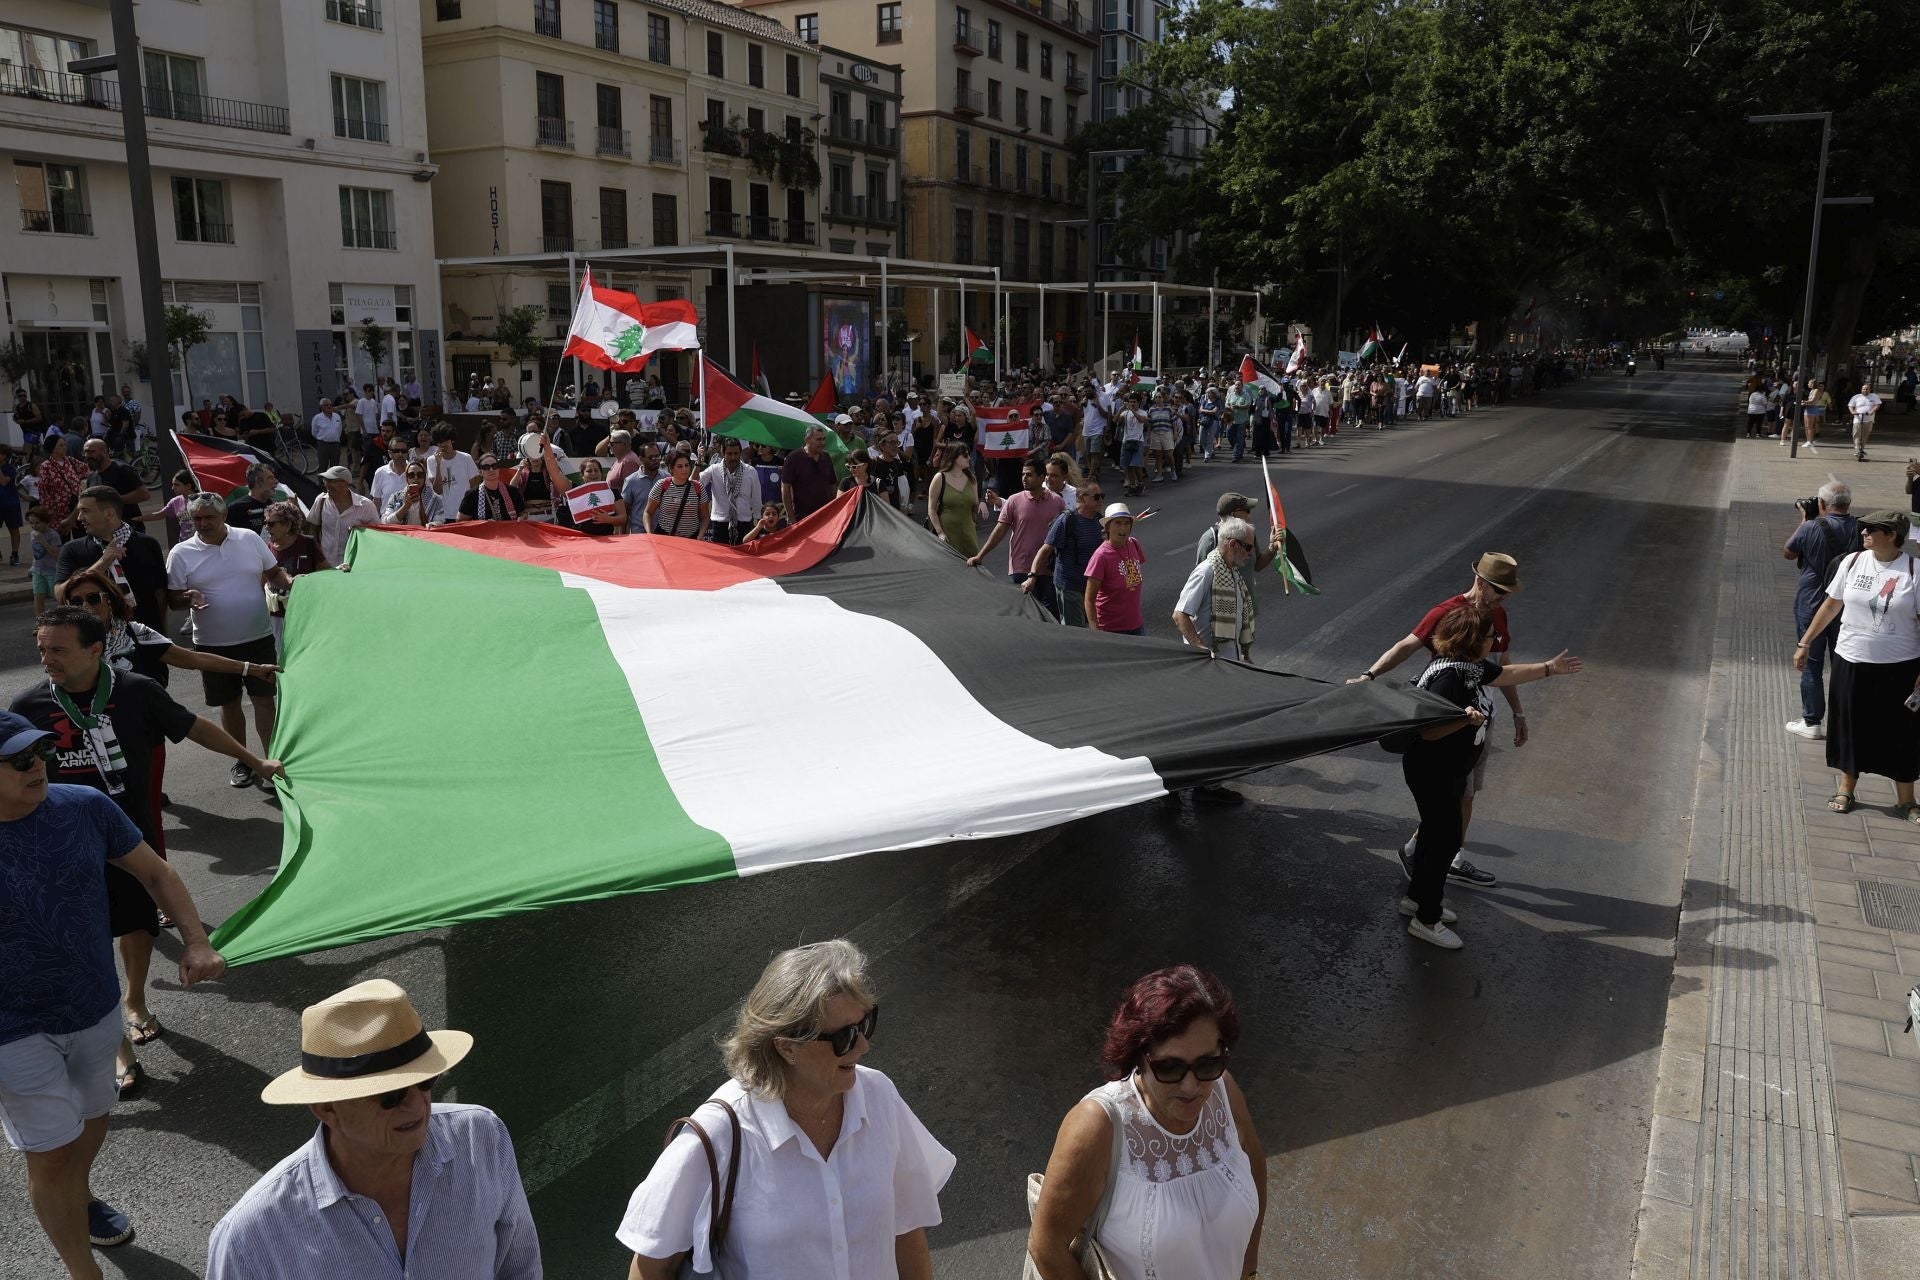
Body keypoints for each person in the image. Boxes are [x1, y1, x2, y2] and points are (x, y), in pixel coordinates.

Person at [13, 606, 275, 1099]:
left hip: (132, 837)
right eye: (42, 648)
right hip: (62, 848)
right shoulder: (28, 707)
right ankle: (120, 1048)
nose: (47, 658)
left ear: (95, 650)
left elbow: (194, 726)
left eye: (58, 649)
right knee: (86, 942)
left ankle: (135, 999)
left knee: (136, 923)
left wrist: (252, 759)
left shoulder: (135, 691)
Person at [0, 709, 224, 1278]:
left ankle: (80, 1195)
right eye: (20, 760)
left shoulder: (84, 808)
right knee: (49, 1154)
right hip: (12, 1031)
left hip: (95, 1009)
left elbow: (157, 875)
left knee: (92, 1121)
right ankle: (83, 1269)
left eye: (41, 753)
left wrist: (196, 942)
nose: (38, 766)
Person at [617, 939, 953, 1279]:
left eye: (865, 1025)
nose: (863, 1045)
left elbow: (906, 1228)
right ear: (787, 1047)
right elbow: (649, 1267)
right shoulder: (720, 1133)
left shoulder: (877, 1095)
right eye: (844, 1037)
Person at [207, 979, 541, 1279]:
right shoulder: (249, 1240)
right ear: (327, 1109)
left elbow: (520, 1266)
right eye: (391, 1096)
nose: (416, 1106)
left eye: (426, 1081)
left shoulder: (481, 1137)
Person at [1028, 965, 1264, 1280]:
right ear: (1139, 1056)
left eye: (1208, 1063)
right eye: (1170, 1068)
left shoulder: (1223, 1091)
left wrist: (1249, 1272)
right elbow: (1046, 1247)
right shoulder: (1098, 1127)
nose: (1191, 1086)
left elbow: (1255, 1167)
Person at [1398, 606, 1583, 947]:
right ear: (1471, 641)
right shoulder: (1450, 678)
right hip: (1432, 771)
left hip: (1446, 770)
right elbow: (1429, 732)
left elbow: (1506, 675)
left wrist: (1548, 669)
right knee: (1444, 841)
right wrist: (1465, 720)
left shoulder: (1470, 667)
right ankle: (1427, 919)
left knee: (1435, 838)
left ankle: (1417, 899)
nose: (1494, 641)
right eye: (1489, 637)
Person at [1349, 552, 1528, 889]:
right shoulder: (1445, 612)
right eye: (1500, 590)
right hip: (1450, 720)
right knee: (1450, 798)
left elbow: (1504, 667)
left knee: (1465, 796)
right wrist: (1369, 674)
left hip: (1480, 720)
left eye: (1506, 592)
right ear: (1480, 582)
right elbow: (1407, 645)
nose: (1504, 598)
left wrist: (1518, 712)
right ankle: (1425, 866)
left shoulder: (1498, 616)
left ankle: (1445, 857)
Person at [1795, 510, 1920, 820]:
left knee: (1901, 731)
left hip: (1900, 665)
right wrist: (1805, 642)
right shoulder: (1851, 562)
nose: (1863, 533)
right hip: (1850, 659)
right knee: (1850, 724)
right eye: (1863, 528)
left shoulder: (1914, 571)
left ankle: (1906, 799)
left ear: (1891, 535)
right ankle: (1846, 788)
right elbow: (1831, 603)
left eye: (1871, 529)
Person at [165, 493, 289, 790]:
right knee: (229, 703)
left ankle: (272, 761)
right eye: (197, 519)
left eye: (209, 517)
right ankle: (244, 762)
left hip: (258, 636)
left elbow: (275, 574)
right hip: (213, 645)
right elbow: (172, 599)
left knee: (264, 700)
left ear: (223, 517)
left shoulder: (249, 538)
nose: (203, 524)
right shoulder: (181, 553)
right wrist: (188, 596)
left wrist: (307, 584)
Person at [1784, 481, 1862, 740]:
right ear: (1848, 504)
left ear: (1821, 504)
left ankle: (1812, 721)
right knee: (1843, 664)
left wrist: (1805, 519)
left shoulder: (1810, 527)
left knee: (1811, 663)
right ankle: (1845, 723)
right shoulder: (1862, 529)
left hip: (1812, 603)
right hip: (1847, 606)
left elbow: (1788, 552)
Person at [55, 484, 169, 631]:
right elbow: (60, 594)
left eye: (85, 511)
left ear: (109, 513)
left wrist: (163, 634)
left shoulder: (148, 544)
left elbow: (160, 595)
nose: (79, 518)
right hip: (95, 641)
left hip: (146, 637)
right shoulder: (72, 550)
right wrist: (102, 563)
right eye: (79, 511)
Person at [1193, 492, 1284, 663]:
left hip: (1244, 609)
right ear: (1234, 514)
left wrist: (1272, 548)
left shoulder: (1247, 534)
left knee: (1243, 657)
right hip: (1220, 616)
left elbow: (1257, 565)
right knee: (1226, 661)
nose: (1250, 514)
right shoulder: (1210, 539)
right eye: (1247, 510)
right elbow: (1200, 580)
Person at [968, 458, 1066, 607]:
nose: (1024, 478)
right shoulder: (1014, 501)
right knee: (1027, 612)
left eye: (1029, 475)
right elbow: (999, 531)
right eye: (1023, 474)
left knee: (1050, 615)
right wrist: (980, 555)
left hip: (1049, 569)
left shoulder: (1058, 502)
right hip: (1021, 567)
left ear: (1041, 478)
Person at [1173, 515, 1262, 661]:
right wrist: (1201, 648)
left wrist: (1244, 654)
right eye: (1248, 547)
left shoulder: (1233, 572)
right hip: (1210, 666)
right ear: (1233, 544)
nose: (1251, 553)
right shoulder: (1206, 572)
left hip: (1232, 662)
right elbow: (1179, 615)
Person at [1029, 480, 1106, 627]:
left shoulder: (1099, 520)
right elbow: (1045, 550)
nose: (1101, 500)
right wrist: (1032, 576)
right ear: (1082, 498)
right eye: (1097, 497)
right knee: (1076, 630)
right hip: (1070, 586)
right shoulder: (1067, 519)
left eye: (1102, 496)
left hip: (1091, 585)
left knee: (1092, 626)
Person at [1084, 503, 1147, 635]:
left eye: (1126, 523)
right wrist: (1096, 631)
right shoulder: (1100, 557)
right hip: (1110, 630)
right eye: (1117, 523)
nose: (1123, 528)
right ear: (1107, 527)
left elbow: (1132, 581)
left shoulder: (1134, 544)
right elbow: (1089, 599)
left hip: (1136, 625)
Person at [305, 466, 380, 563]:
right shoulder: (321, 501)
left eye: (333, 481)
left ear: (346, 483)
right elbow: (313, 530)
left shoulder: (366, 506)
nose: (327, 484)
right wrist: (317, 556)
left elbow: (376, 534)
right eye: (325, 480)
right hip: (325, 565)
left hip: (353, 565)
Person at [927, 441, 988, 557]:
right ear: (954, 457)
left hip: (968, 533)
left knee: (972, 567)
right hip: (948, 534)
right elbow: (931, 509)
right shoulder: (940, 478)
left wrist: (981, 504)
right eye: (965, 455)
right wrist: (940, 532)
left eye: (968, 455)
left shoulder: (971, 479)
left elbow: (974, 510)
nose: (969, 458)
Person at [702, 438, 761, 543]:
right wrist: (698, 462)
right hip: (720, 523)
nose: (733, 457)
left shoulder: (751, 471)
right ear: (723, 453)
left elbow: (756, 498)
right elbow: (695, 483)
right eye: (729, 453)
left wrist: (757, 519)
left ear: (740, 453)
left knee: (744, 558)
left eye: (736, 453)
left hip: (744, 523)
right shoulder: (714, 469)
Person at [781, 425, 839, 523]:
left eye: (824, 439)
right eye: (819, 439)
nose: (823, 443)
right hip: (801, 517)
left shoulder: (826, 457)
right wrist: (790, 516)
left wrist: (833, 510)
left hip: (824, 516)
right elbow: (785, 488)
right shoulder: (793, 458)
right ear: (807, 439)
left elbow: (832, 484)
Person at [646, 452, 710, 539]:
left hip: (691, 539)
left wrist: (700, 535)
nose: (684, 469)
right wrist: (649, 533)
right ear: (671, 468)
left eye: (687, 465)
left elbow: (705, 517)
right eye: (680, 466)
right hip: (665, 538)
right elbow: (648, 513)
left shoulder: (698, 487)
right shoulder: (661, 485)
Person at [424, 422, 481, 514]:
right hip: (443, 513)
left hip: (464, 512)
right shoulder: (431, 460)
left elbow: (475, 486)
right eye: (439, 441)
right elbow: (437, 491)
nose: (443, 444)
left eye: (445, 440)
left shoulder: (466, 458)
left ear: (452, 440)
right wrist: (438, 465)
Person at [37, 433, 88, 533]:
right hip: (58, 511)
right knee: (62, 540)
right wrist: (48, 509)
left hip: (75, 507)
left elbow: (87, 469)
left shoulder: (70, 460)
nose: (65, 447)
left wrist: (79, 478)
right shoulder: (46, 466)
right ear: (53, 449)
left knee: (80, 537)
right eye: (61, 445)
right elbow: (43, 490)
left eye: (64, 444)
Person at [461, 453, 525, 521]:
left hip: (509, 531)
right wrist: (483, 524)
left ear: (498, 469)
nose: (491, 470)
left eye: (494, 466)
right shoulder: (472, 494)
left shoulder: (512, 491)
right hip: (485, 531)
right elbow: (461, 520)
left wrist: (522, 518)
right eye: (486, 467)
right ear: (480, 472)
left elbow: (523, 513)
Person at [381, 462, 445, 526]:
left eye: (420, 475)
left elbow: (440, 520)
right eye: (411, 475)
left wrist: (433, 524)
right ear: (407, 478)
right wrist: (406, 506)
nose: (416, 478)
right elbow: (385, 522)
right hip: (402, 535)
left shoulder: (435, 499)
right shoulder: (395, 497)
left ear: (424, 477)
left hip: (424, 535)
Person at [225, 464, 282, 534]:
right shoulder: (235, 509)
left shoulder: (275, 507)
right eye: (270, 478)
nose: (276, 481)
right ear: (258, 481)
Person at [28, 507, 62, 617]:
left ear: (46, 522)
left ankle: (65, 618)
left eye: (37, 523)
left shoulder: (53, 535)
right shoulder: (33, 533)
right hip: (37, 570)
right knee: (38, 596)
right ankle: (40, 622)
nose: (34, 526)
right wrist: (31, 567)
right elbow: (36, 553)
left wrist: (43, 541)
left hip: (52, 570)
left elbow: (56, 552)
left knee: (56, 596)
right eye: (31, 523)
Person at [370, 434, 414, 511]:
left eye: (403, 451)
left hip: (411, 521)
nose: (400, 454)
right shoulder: (380, 472)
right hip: (386, 521)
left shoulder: (416, 471)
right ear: (390, 453)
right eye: (396, 451)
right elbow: (376, 502)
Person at [1848, 382, 1883, 461]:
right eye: (1864, 389)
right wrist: (1852, 412)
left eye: (1867, 389)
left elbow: (1878, 405)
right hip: (1858, 418)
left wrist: (1872, 411)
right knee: (1856, 433)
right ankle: (1857, 449)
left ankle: (1862, 448)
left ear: (1870, 390)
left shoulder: (1874, 396)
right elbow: (1850, 405)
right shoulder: (1856, 397)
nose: (1865, 390)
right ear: (1861, 389)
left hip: (1869, 419)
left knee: (1865, 434)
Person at [310, 398, 346, 471]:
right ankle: (321, 482)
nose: (329, 406)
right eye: (326, 405)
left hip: (335, 445)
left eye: (330, 405)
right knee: (323, 466)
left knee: (335, 467)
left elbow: (339, 430)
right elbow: (314, 432)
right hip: (323, 445)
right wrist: (323, 438)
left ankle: (333, 482)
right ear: (321, 407)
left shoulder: (337, 416)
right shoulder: (317, 418)